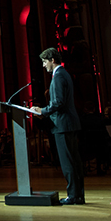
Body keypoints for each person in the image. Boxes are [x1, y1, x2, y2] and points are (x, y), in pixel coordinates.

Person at [34, 47, 85, 205]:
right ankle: (78, 196)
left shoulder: (58, 77)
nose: (44, 65)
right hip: (69, 123)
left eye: (44, 62)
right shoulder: (65, 74)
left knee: (67, 163)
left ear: (52, 60)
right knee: (74, 162)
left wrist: (42, 110)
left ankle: (72, 196)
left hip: (63, 125)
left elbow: (58, 103)